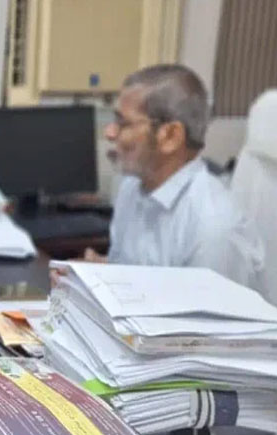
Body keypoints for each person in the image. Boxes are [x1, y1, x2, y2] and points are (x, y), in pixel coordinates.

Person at [95, 64, 264, 289]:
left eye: (122, 123)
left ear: (171, 137)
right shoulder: (131, 187)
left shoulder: (213, 228)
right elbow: (127, 273)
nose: (109, 133)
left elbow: (208, 312)